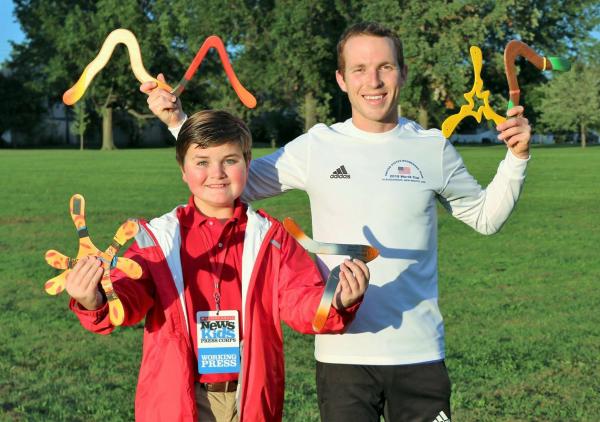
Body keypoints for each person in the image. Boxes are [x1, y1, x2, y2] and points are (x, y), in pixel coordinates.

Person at [142, 22, 532, 422]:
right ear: (341, 80)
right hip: (341, 355)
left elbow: (485, 218)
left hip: (419, 356)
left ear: (403, 72)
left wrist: (516, 159)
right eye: (360, 69)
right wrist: (179, 121)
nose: (374, 81)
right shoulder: (317, 146)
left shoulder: (432, 148)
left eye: (385, 66)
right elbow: (227, 179)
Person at [65, 109, 370, 422]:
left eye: (230, 160)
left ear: (247, 164)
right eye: (202, 162)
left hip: (249, 398)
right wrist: (95, 299)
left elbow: (299, 299)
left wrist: (336, 300)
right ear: (183, 169)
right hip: (177, 399)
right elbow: (128, 296)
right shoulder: (158, 238)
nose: (217, 173)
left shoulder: (272, 238)